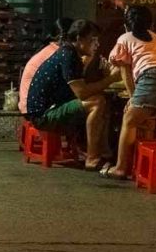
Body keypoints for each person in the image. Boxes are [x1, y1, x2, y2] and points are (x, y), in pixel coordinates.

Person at [101, 6, 156, 179]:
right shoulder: (155, 38)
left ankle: (120, 168)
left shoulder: (124, 38)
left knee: (129, 121)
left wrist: (133, 98)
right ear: (150, 24)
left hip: (152, 76)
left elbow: (125, 71)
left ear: (126, 26)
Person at [25, 19, 119, 170]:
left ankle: (102, 152)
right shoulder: (68, 55)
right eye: (92, 40)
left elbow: (83, 85)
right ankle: (92, 159)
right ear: (78, 39)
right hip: (43, 115)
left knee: (102, 100)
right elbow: (82, 92)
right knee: (97, 102)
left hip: (53, 107)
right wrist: (112, 78)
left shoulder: (70, 52)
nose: (97, 44)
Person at [19, 17, 73, 116]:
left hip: (30, 106)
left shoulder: (51, 50)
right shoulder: (60, 54)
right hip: (37, 109)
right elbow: (74, 84)